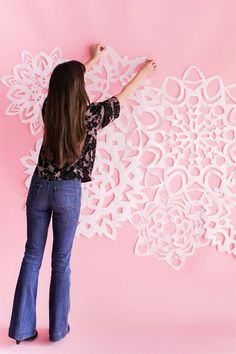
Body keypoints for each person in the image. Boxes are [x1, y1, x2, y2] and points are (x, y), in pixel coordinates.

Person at [8, 43, 157, 344]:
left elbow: (67, 83)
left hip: (39, 186)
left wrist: (91, 61)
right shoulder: (91, 117)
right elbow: (121, 98)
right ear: (79, 87)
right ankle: (59, 330)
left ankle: (21, 329)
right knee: (60, 261)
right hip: (67, 191)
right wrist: (142, 74)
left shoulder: (49, 108)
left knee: (31, 255)